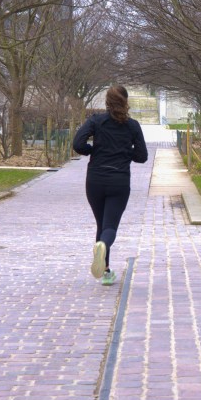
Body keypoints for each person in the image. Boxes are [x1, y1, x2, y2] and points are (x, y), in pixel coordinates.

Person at [72, 85, 148, 285]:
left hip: (95, 179)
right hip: (119, 181)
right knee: (110, 226)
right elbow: (142, 156)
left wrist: (93, 150)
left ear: (107, 102)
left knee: (101, 224)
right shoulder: (132, 126)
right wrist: (124, 152)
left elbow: (78, 143)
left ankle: (105, 271)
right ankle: (103, 248)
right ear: (126, 101)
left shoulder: (96, 121)